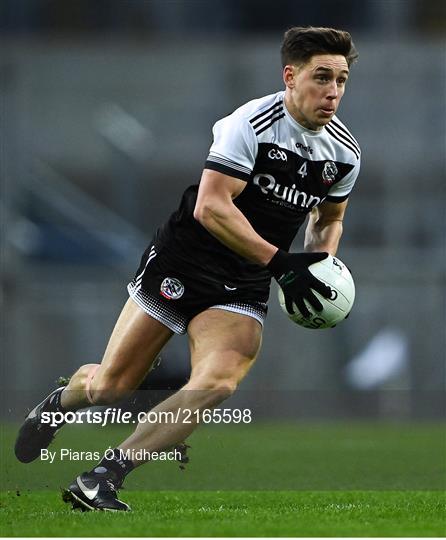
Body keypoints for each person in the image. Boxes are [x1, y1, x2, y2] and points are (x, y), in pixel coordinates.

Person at [15, 26, 360, 511]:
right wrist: (284, 263)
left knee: (217, 383)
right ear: (290, 75)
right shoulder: (250, 124)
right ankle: (60, 404)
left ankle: (103, 476)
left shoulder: (344, 153)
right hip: (183, 261)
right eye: (322, 77)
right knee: (112, 387)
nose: (333, 92)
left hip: (243, 282)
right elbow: (211, 208)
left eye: (342, 80)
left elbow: (329, 218)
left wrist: (318, 271)